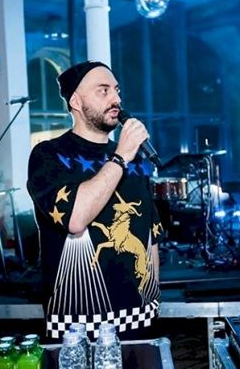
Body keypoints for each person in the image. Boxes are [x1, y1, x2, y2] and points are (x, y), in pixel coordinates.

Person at [27, 60, 164, 342]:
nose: (116, 99)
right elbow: (75, 219)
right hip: (76, 326)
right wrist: (121, 156)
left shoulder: (135, 159)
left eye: (116, 90)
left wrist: (152, 300)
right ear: (76, 102)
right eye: (103, 91)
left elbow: (150, 237)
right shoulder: (48, 155)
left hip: (139, 319)